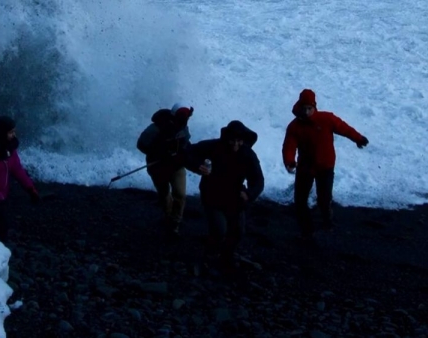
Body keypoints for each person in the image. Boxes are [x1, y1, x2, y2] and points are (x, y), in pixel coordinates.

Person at [282, 89, 369, 240]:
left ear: (315, 107)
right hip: (305, 167)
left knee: (324, 198)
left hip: (326, 166)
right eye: (305, 109)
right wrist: (289, 161)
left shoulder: (326, 119)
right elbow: (289, 146)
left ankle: (327, 223)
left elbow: (344, 128)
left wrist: (358, 139)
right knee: (300, 200)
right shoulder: (295, 126)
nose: (308, 112)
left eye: (310, 108)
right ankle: (307, 231)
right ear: (300, 107)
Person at [185, 120, 264, 272]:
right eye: (232, 140)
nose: (235, 144)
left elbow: (258, 180)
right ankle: (209, 257)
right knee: (219, 229)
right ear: (226, 138)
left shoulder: (248, 155)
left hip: (235, 198)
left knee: (238, 231)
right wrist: (197, 166)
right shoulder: (213, 147)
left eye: (239, 141)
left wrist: (249, 193)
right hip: (212, 195)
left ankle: (227, 256)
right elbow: (188, 153)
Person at [137, 103, 193, 237]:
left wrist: (184, 152)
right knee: (164, 194)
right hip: (157, 166)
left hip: (176, 165)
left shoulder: (184, 127)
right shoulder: (155, 129)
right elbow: (141, 144)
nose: (185, 120)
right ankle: (168, 216)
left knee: (180, 194)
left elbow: (186, 142)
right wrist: (160, 154)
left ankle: (175, 222)